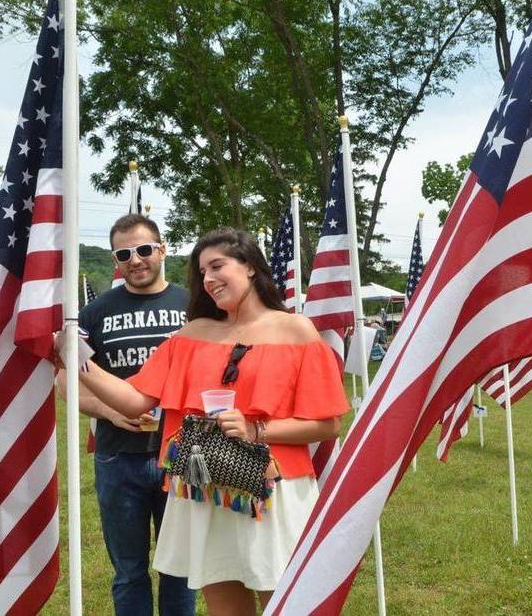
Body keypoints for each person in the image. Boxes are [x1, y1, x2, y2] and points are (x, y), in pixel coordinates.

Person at [70, 227, 346, 615]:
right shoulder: (192, 334)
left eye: (218, 266)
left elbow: (327, 425)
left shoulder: (295, 330)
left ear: (250, 266)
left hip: (274, 491)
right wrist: (75, 358)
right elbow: (134, 401)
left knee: (284, 603)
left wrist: (255, 429)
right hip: (204, 488)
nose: (209, 279)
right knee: (226, 607)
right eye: (202, 272)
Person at [57, 213, 197, 615]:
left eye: (144, 249)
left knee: (181, 569)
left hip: (184, 457)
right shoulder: (94, 312)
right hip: (118, 457)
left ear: (162, 250)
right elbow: (66, 382)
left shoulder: (192, 307)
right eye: (124, 253)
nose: (135, 260)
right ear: (116, 259)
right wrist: (110, 412)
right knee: (129, 571)